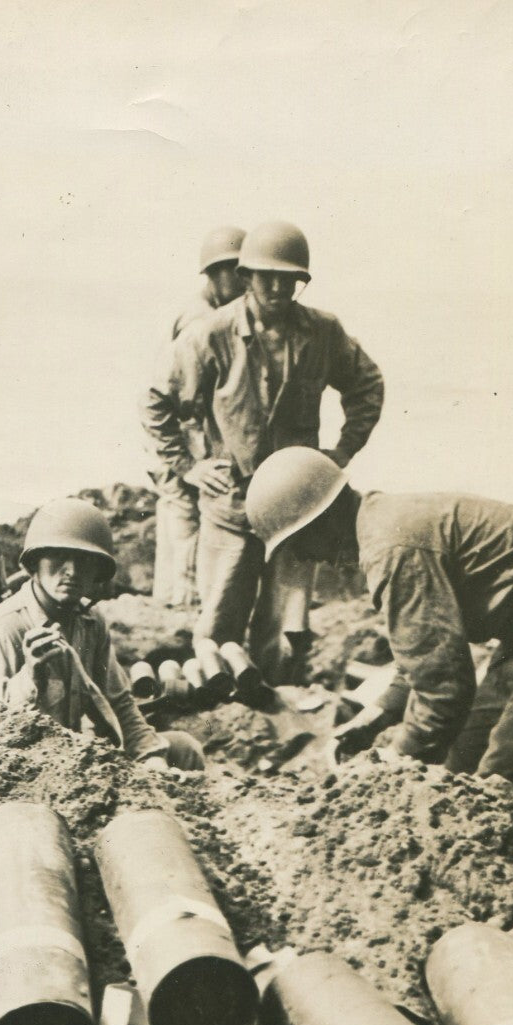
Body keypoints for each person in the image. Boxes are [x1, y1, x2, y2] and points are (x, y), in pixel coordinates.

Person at [244, 447, 513, 790]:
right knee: (461, 769)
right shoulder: (383, 527)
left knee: (502, 790)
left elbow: (443, 688)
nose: (307, 559)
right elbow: (424, 654)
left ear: (320, 521)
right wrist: (376, 716)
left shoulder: (391, 549)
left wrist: (392, 773)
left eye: (298, 545)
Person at [141, 220, 384, 682]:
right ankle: (220, 699)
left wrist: (342, 452)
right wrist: (189, 467)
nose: (276, 288)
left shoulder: (323, 332)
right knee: (217, 624)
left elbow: (367, 385)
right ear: (246, 277)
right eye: (266, 277)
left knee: (284, 631)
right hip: (231, 503)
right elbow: (156, 400)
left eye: (287, 279)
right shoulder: (210, 334)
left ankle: (272, 697)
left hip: (298, 510)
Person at [0, 498, 206, 771]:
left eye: (85, 560)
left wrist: (152, 759)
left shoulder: (90, 622)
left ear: (98, 572)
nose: (72, 571)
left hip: (76, 758)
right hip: (26, 770)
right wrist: (29, 678)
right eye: (59, 556)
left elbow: (120, 703)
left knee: (183, 749)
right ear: (35, 562)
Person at [152, 225, 247, 608]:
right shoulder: (201, 321)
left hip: (182, 443)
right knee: (188, 527)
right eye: (235, 273)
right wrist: (188, 465)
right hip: (181, 444)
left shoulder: (213, 313)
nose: (245, 283)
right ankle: (185, 611)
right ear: (213, 274)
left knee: (178, 530)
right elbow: (163, 400)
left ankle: (173, 606)